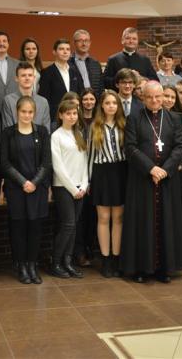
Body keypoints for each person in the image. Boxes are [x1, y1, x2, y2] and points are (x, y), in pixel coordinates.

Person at [122, 82, 182, 283]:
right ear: (142, 97)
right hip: (142, 179)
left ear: (163, 96)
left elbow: (178, 147)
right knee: (142, 223)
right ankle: (141, 268)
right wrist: (151, 168)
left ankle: (164, 268)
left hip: (167, 180)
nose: (154, 100)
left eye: (158, 96)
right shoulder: (134, 118)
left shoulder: (174, 118)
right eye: (150, 97)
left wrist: (165, 170)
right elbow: (130, 147)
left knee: (166, 221)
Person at [1, 96, 52, 284]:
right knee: (19, 229)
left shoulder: (42, 132)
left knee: (35, 228)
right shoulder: (8, 133)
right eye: (23, 111)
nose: (27, 115)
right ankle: (21, 266)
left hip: (37, 189)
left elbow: (46, 162)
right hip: (16, 189)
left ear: (34, 113)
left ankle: (32, 265)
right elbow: (5, 163)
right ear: (17, 112)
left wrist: (35, 182)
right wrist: (23, 182)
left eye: (30, 112)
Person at [88, 90, 127, 277]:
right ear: (102, 106)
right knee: (103, 217)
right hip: (101, 173)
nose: (111, 106)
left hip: (120, 172)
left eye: (114, 103)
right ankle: (105, 260)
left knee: (118, 218)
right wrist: (89, 180)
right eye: (107, 103)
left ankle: (116, 257)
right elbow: (90, 156)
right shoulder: (94, 126)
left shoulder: (124, 125)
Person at [49, 99, 89, 279]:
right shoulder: (56, 136)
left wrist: (84, 184)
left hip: (80, 187)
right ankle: (56, 263)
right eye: (68, 113)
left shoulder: (78, 133)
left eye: (74, 113)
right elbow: (58, 167)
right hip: (63, 187)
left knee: (74, 226)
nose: (72, 117)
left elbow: (84, 162)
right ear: (61, 115)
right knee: (68, 224)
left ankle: (68, 262)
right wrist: (73, 189)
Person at [75, 88, 98, 267]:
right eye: (85, 99)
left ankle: (91, 248)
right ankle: (80, 251)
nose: (88, 102)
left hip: (96, 173)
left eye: (91, 99)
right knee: (80, 217)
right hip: (79, 172)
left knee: (93, 215)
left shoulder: (98, 120)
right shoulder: (77, 121)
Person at [39, 38, 84, 119]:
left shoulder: (75, 72)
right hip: (55, 117)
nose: (65, 52)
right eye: (61, 49)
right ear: (54, 52)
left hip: (74, 116)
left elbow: (81, 93)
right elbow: (44, 98)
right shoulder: (46, 73)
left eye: (68, 49)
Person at [2, 61, 51, 131]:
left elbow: (46, 130)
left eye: (30, 75)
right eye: (23, 75)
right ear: (16, 78)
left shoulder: (43, 102)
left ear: (34, 78)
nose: (27, 78)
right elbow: (8, 130)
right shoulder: (8, 100)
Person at [72, 29, 103, 96]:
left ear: (90, 43)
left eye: (86, 41)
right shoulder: (68, 63)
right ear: (74, 43)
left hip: (94, 100)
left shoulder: (96, 64)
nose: (84, 44)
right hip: (75, 100)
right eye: (80, 41)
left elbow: (101, 87)